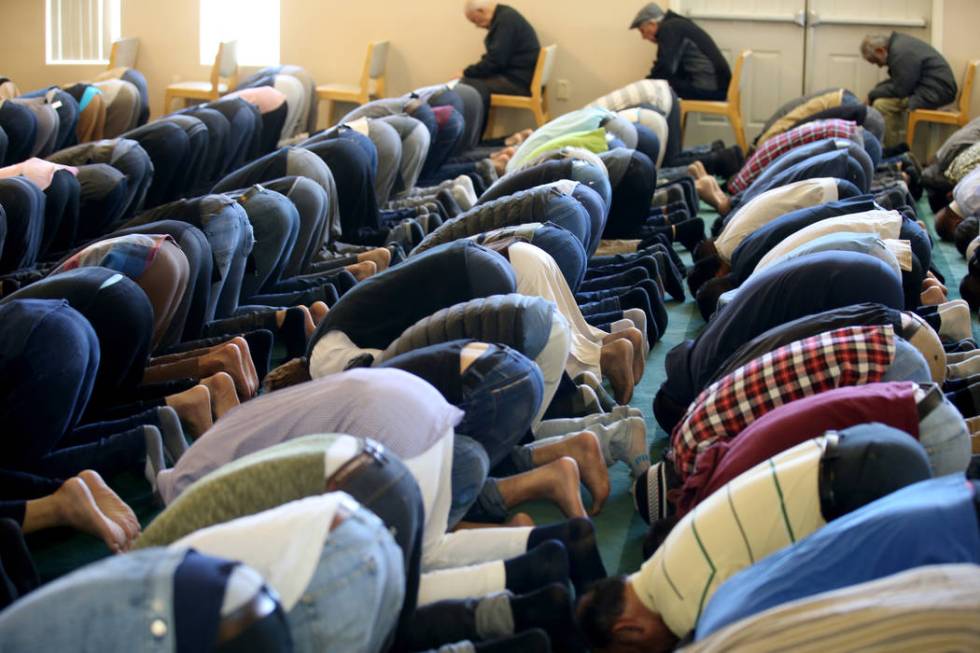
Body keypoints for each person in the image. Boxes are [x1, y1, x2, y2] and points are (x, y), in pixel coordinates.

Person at [575, 423, 934, 650]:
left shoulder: (682, 607)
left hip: (871, 487)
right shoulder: (668, 550)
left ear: (628, 632)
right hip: (871, 439)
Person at [861, 33, 958, 148]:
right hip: (934, 89)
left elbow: (901, 89)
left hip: (934, 93)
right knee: (882, 101)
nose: (880, 66)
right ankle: (894, 146)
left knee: (882, 105)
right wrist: (875, 91)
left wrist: (872, 95)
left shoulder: (900, 54)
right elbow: (899, 81)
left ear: (880, 51)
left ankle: (892, 151)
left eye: (876, 61)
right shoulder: (900, 47)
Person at [630, 3, 731, 102]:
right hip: (718, 85)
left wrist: (642, 87)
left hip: (710, 88)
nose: (643, 37)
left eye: (642, 31)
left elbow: (664, 68)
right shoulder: (677, 24)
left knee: (658, 90)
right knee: (664, 85)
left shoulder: (669, 29)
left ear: (652, 23)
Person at [459, 1, 541, 114]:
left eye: (475, 20)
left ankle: (474, 130)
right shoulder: (506, 15)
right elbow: (495, 56)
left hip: (517, 82)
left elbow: (495, 62)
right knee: (468, 83)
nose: (477, 26)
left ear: (481, 11)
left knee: (464, 87)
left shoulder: (505, 21)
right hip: (524, 77)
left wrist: (465, 72)